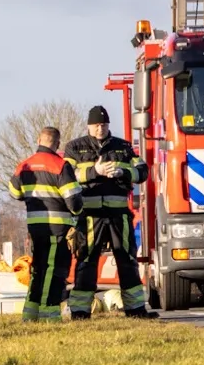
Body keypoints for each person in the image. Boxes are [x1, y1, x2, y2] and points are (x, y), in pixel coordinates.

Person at [64, 105, 154, 318]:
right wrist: (95, 171)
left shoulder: (122, 147)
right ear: (88, 125)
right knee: (87, 261)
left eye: (103, 125)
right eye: (96, 125)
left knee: (127, 260)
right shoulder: (75, 147)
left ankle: (136, 310)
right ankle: (80, 311)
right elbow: (67, 174)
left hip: (118, 214)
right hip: (90, 215)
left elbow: (142, 171)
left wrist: (124, 172)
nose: (100, 128)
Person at [7, 126, 81, 322]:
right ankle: (49, 314)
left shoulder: (24, 165)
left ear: (38, 140)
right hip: (58, 227)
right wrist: (78, 213)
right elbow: (74, 201)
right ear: (57, 143)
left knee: (38, 268)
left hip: (35, 227)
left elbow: (14, 193)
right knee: (54, 269)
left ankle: (30, 313)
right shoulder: (60, 165)